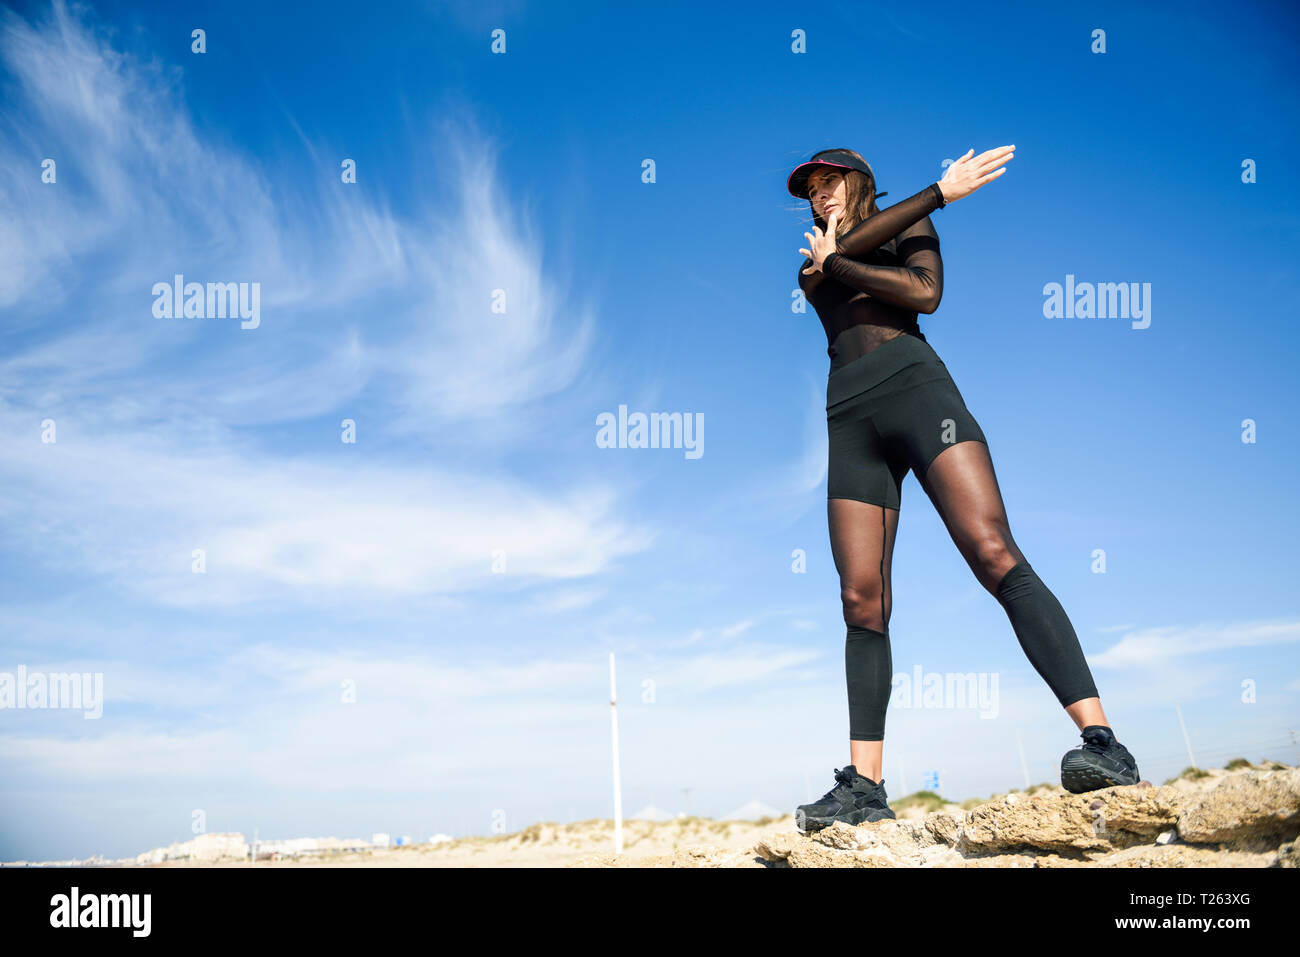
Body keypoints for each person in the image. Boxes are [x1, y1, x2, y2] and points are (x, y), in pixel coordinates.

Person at [786, 147, 1140, 832]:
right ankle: (864, 784)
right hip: (847, 415)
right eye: (810, 190)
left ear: (855, 181)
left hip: (919, 389)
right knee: (861, 597)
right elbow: (833, 265)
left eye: (829, 182)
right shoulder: (811, 263)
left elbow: (925, 295)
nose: (819, 195)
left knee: (991, 549)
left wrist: (909, 217)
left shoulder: (905, 228)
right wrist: (937, 192)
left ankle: (1104, 743)